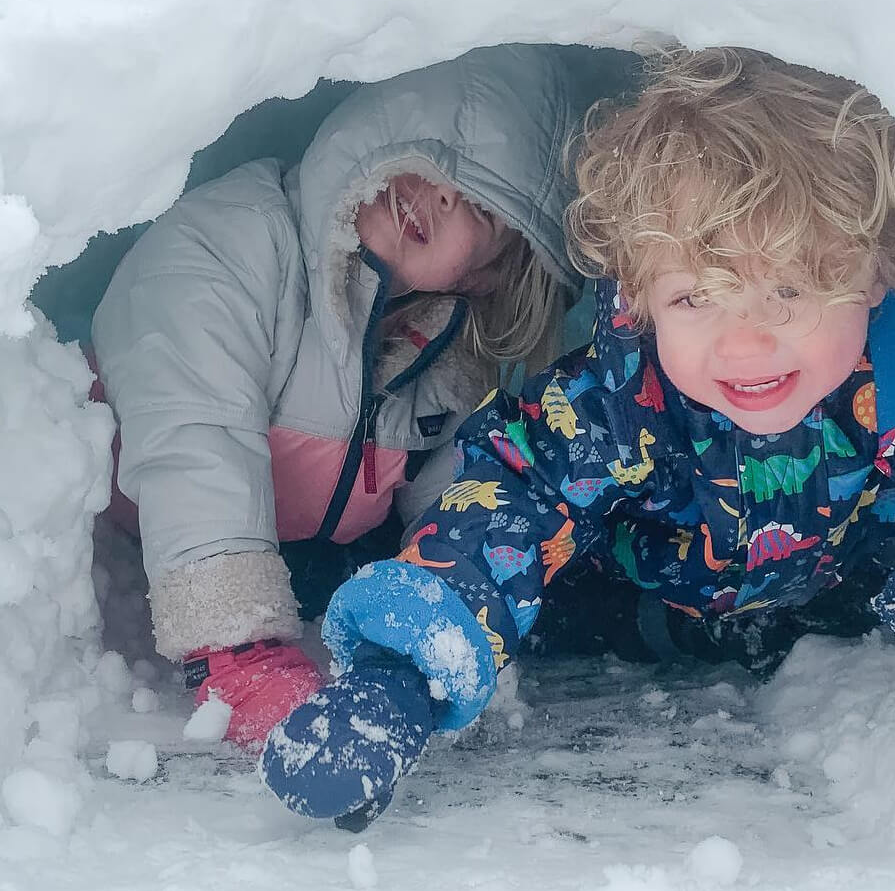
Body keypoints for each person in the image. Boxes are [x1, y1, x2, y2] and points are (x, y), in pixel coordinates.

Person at [258, 47, 895, 828]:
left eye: (788, 292)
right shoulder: (623, 398)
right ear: (637, 293)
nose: (744, 343)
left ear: (874, 275)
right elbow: (508, 501)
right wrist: (396, 680)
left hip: (835, 597)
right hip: (625, 601)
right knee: (520, 577)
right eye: (693, 298)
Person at [90, 46, 583, 747]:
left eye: (482, 204)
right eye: (428, 154)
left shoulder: (442, 341)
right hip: (155, 539)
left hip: (318, 555)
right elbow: (193, 437)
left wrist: (445, 612)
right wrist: (240, 651)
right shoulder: (228, 244)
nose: (438, 191)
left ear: (490, 273)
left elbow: (458, 492)